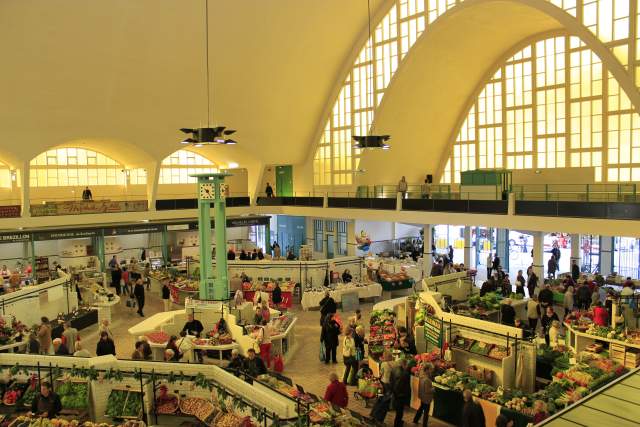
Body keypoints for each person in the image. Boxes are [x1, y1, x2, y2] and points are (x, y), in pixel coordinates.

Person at [390, 358, 411, 427]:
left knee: (398, 411)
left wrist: (393, 392)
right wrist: (408, 398)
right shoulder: (405, 374)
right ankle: (397, 424)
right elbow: (407, 387)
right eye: (407, 365)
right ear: (404, 364)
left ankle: (398, 422)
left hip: (395, 393)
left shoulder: (393, 370)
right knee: (400, 412)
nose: (407, 367)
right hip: (401, 395)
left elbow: (391, 381)